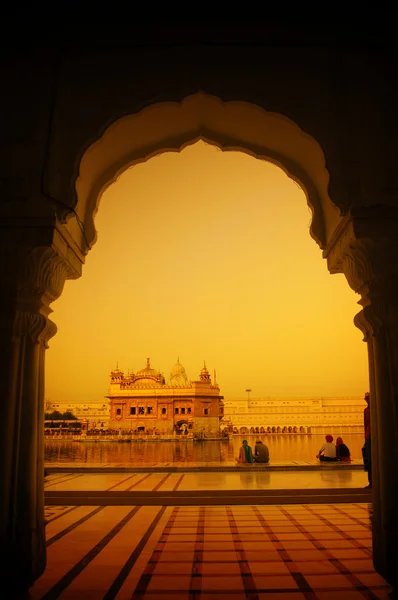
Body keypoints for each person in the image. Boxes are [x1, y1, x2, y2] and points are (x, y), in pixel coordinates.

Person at [362, 392, 372, 488]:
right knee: (369, 461)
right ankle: (371, 482)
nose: (367, 400)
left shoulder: (377, 410)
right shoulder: (366, 411)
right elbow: (365, 425)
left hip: (374, 436)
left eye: (368, 398)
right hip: (369, 436)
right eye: (366, 399)